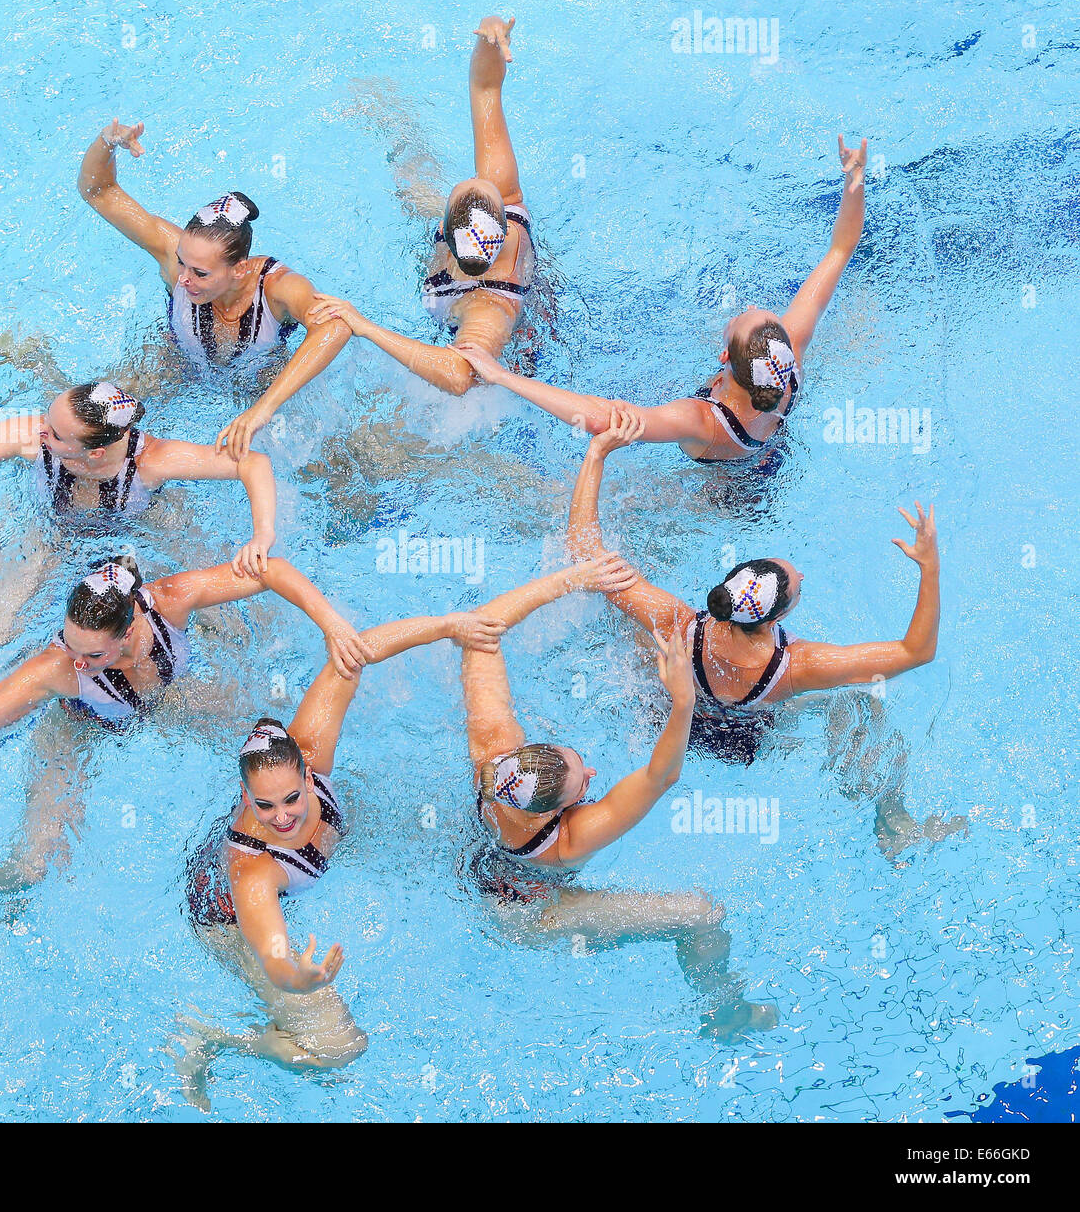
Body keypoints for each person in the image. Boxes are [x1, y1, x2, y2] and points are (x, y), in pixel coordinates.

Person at [0, 553, 368, 994]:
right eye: (70, 645)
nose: (73, 658)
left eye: (91, 653)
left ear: (129, 631)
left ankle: (292, 850)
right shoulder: (62, 670)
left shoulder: (169, 601)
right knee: (36, 861)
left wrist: (332, 625)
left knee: (278, 758)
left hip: (174, 700)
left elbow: (266, 569)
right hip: (83, 729)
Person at [566, 412, 962, 854]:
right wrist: (929, 566)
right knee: (861, 703)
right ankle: (894, 819)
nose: (804, 577)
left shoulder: (678, 621)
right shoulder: (800, 667)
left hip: (678, 724)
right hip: (749, 741)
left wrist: (597, 452)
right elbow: (917, 651)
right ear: (775, 620)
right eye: (797, 585)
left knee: (631, 625)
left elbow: (584, 550)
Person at [173, 609, 505, 1089]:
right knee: (338, 1051)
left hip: (304, 857)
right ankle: (215, 1037)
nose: (283, 816)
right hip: (222, 916)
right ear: (246, 799)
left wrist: (451, 627)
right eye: (264, 806)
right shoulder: (253, 871)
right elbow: (271, 952)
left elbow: (356, 652)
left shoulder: (310, 747)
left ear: (308, 774)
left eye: (292, 797)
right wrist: (297, 979)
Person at [459, 556, 777, 1036]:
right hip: (527, 915)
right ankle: (723, 1011)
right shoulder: (571, 838)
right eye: (583, 781)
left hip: (476, 870)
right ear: (561, 810)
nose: (590, 770)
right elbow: (660, 776)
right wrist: (683, 701)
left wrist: (572, 578)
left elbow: (480, 629)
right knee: (700, 913)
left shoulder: (494, 755)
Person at [456, 135, 869, 462]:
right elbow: (840, 249)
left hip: (722, 485)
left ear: (724, 356)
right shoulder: (790, 349)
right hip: (766, 441)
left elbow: (607, 419)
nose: (750, 307)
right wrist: (854, 181)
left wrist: (503, 376)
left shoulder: (701, 420)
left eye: (746, 317)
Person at [77, 123, 350, 457]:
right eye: (182, 263)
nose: (182, 279)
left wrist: (263, 408)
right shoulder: (174, 257)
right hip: (176, 363)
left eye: (200, 273)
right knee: (86, 424)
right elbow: (99, 192)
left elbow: (335, 326)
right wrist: (107, 141)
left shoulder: (277, 287)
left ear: (240, 269)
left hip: (259, 381)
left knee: (329, 461)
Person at [0, 380, 277, 575]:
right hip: (53, 531)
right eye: (46, 417)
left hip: (143, 526)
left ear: (94, 452)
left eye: (55, 433)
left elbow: (253, 464)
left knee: (221, 612)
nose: (40, 430)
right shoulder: (31, 436)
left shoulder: (154, 461)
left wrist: (261, 535)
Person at [307, 15, 535, 397]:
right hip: (454, 271)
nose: (487, 177)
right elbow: (485, 89)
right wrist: (490, 39)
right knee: (410, 175)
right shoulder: (501, 195)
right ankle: (394, 127)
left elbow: (462, 377)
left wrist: (365, 326)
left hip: (509, 360)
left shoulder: (487, 310)